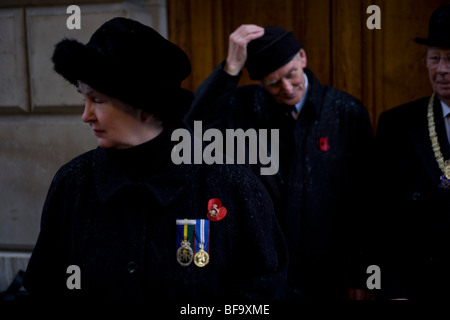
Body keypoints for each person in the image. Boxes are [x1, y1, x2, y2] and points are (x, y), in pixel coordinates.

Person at [22, 17, 288, 300]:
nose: (85, 115)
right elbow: (44, 287)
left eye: (98, 100)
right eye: (83, 98)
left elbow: (264, 294)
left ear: (145, 107)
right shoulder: (72, 183)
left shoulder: (232, 185)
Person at [185, 24, 375, 300]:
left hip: (327, 273)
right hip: (259, 274)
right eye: (274, 83)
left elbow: (365, 196)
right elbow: (193, 131)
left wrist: (361, 272)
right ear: (260, 83)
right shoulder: (242, 107)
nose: (287, 88)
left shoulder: (346, 111)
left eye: (291, 75)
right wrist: (230, 69)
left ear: (302, 57)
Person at [375, 4, 450, 300]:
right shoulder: (397, 125)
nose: (442, 70)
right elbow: (382, 215)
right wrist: (394, 292)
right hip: (419, 286)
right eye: (435, 58)